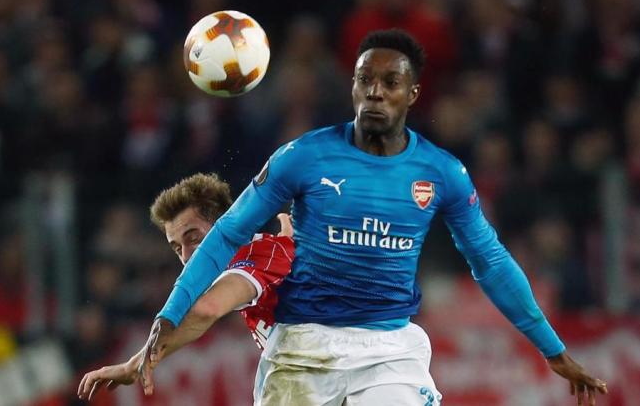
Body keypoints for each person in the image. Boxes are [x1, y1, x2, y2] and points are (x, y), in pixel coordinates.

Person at [152, 29, 607, 406]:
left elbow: (491, 263)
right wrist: (168, 317)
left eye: (390, 82)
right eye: (364, 79)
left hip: (389, 352)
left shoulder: (441, 172)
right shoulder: (303, 157)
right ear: (352, 86)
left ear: (412, 94)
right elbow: (227, 233)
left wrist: (552, 348)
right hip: (302, 349)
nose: (375, 91)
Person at [77, 173, 294, 401]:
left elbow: (206, 310)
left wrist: (136, 363)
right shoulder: (269, 255)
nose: (188, 258)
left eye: (194, 239)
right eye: (177, 248)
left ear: (225, 226)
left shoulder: (259, 257)